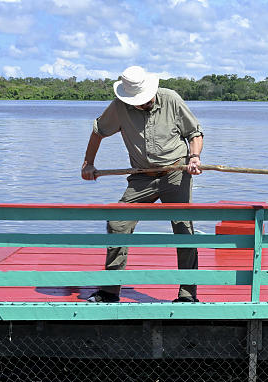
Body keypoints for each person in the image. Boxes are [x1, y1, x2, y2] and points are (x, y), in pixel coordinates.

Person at [81, 66, 203, 303]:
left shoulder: (171, 99)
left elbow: (195, 133)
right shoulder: (119, 107)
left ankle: (187, 295)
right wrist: (88, 164)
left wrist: (194, 158)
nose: (142, 104)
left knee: (184, 229)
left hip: (175, 172)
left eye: (145, 100)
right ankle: (109, 291)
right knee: (118, 222)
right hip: (141, 176)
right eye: (137, 101)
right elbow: (98, 131)